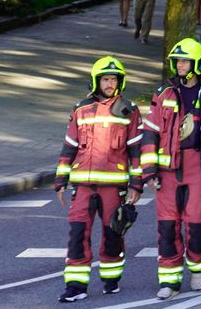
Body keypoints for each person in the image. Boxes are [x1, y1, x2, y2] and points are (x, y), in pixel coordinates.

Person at [140, 39, 201, 300]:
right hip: (168, 168)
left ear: (197, 64)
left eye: (185, 61)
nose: (179, 65)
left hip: (198, 167)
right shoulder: (163, 93)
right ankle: (170, 280)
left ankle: (197, 270)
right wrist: (149, 170)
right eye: (177, 61)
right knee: (167, 227)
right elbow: (150, 132)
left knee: (198, 224)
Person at [54, 56, 144, 303]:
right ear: (96, 81)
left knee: (113, 233)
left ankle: (111, 278)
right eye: (105, 79)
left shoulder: (129, 110)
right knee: (77, 234)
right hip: (82, 186)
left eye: (114, 79)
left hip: (114, 187)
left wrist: (137, 185)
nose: (109, 83)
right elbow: (69, 147)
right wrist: (61, 181)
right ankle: (75, 285)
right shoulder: (80, 109)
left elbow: (136, 151)